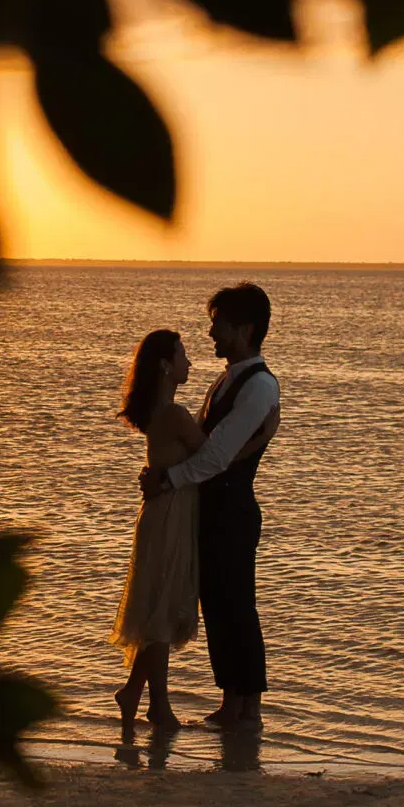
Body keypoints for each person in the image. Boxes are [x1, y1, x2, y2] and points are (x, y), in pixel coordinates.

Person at [143, 283, 279, 730]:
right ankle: (230, 702)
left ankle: (249, 708)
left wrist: (169, 480)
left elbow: (218, 455)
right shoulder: (225, 380)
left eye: (218, 324)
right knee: (218, 606)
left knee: (237, 605)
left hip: (233, 511)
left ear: (245, 329)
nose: (211, 333)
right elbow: (204, 444)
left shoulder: (259, 385)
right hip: (210, 508)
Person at [111, 328, 199, 731]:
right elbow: (214, 454)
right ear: (166, 365)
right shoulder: (174, 415)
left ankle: (134, 693)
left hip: (165, 513)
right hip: (169, 517)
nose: (189, 361)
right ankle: (158, 707)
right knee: (161, 612)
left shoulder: (162, 412)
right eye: (182, 354)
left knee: (157, 610)